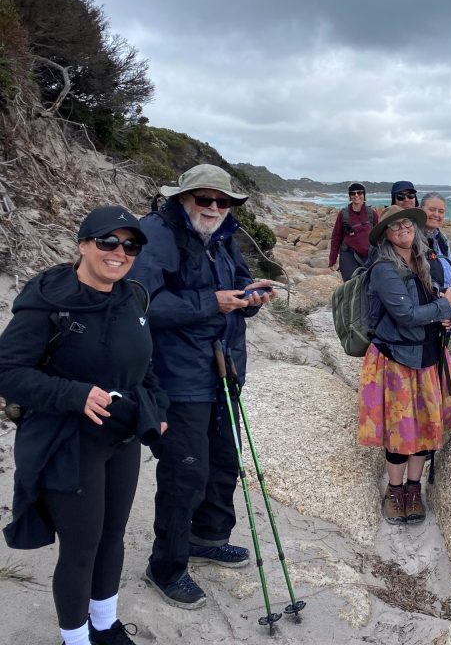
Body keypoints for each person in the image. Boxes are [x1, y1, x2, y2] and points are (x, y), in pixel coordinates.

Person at [0, 206, 167, 645]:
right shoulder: (48, 301)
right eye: (107, 242)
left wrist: (159, 408)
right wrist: (74, 395)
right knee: (81, 547)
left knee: (113, 536)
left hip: (122, 437)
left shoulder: (134, 296)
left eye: (130, 244)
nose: (119, 252)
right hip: (68, 441)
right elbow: (9, 370)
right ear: (82, 244)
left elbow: (143, 365)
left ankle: (106, 624)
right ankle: (75, 639)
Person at [127, 164, 276, 610]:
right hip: (177, 373)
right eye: (203, 199)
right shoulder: (155, 233)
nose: (213, 208)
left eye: (222, 201)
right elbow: (142, 301)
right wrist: (211, 302)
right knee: (184, 470)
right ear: (182, 198)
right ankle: (166, 567)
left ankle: (207, 535)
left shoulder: (226, 235)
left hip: (225, 367)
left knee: (223, 461)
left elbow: (237, 289)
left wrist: (250, 299)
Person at [357, 205, 451, 526]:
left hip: (427, 355)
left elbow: (428, 307)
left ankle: (413, 490)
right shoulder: (383, 268)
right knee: (399, 431)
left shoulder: (422, 261)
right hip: (395, 359)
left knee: (424, 428)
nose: (404, 229)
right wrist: (445, 304)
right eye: (396, 227)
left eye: (408, 224)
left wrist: (445, 319)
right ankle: (394, 492)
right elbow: (405, 315)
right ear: (387, 236)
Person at [329, 182, 378, 280]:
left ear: (364, 195)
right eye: (353, 193)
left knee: (370, 284)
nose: (356, 195)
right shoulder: (343, 214)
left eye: (359, 193)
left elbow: (379, 236)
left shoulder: (372, 214)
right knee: (351, 284)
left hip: (368, 255)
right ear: (349, 196)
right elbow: (336, 237)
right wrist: (332, 260)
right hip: (348, 254)